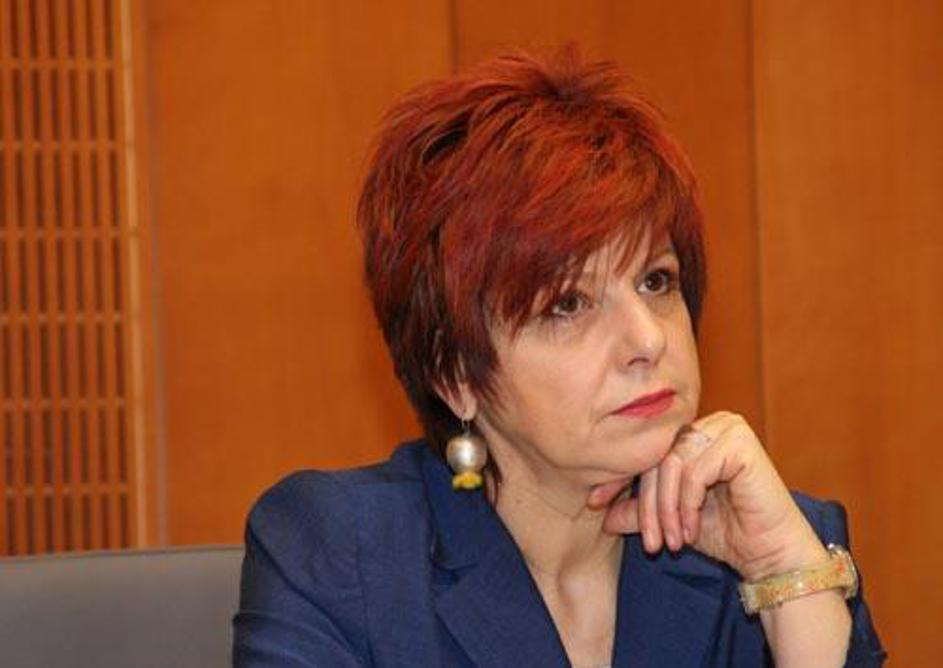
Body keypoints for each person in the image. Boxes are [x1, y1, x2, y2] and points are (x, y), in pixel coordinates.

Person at [233, 48, 885, 667]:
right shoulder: (343, 556)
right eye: (568, 305)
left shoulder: (774, 539)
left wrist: (784, 573)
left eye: (655, 281)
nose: (648, 341)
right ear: (454, 373)